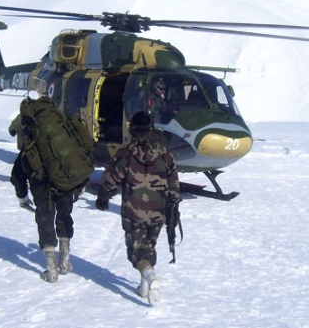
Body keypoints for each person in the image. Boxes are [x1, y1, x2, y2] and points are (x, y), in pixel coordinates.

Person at [95, 111, 181, 304]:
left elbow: (110, 180)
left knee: (136, 253)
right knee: (149, 246)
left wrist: (102, 200)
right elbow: (174, 183)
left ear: (132, 129)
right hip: (158, 212)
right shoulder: (165, 154)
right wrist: (173, 207)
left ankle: (150, 276)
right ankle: (144, 288)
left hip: (133, 213)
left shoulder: (125, 154)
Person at [10, 100, 88, 283]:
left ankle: (51, 270)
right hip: (64, 183)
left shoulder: (29, 150)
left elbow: (17, 176)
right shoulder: (59, 143)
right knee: (64, 216)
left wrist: (22, 197)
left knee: (45, 221)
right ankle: (65, 261)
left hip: (41, 190)